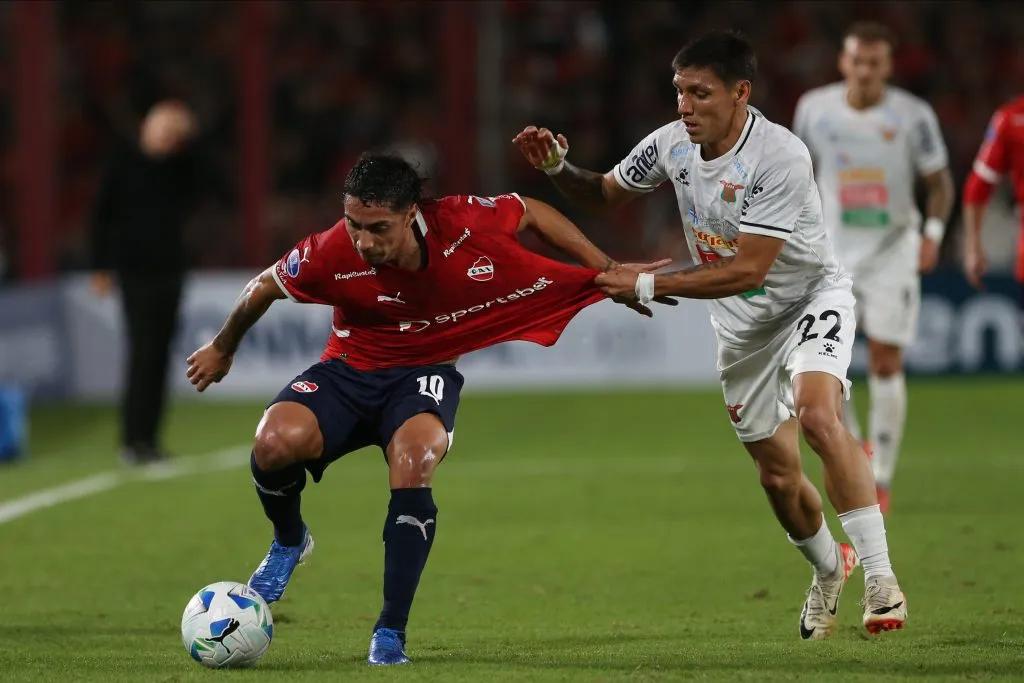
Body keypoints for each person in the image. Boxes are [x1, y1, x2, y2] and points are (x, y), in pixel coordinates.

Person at [185, 153, 670, 665]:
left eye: (379, 228)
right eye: (355, 225)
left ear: (411, 213)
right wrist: (223, 346)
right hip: (350, 369)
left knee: (414, 463)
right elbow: (263, 286)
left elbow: (529, 210)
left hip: (424, 373)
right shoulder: (329, 251)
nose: (365, 241)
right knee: (273, 442)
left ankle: (390, 631)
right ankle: (289, 541)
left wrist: (608, 270)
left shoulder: (460, 222)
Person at [513, 30, 906, 640]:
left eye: (700, 93)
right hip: (740, 327)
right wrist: (557, 167)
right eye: (679, 92)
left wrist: (648, 287)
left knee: (818, 415)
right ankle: (830, 570)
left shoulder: (780, 156)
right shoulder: (672, 146)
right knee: (776, 475)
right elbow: (605, 194)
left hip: (808, 298)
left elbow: (750, 268)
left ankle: (881, 582)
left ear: (741, 93)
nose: (685, 106)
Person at [791, 22, 954, 514]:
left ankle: (880, 473)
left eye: (874, 63)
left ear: (887, 65)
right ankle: (859, 450)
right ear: (844, 63)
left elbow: (940, 183)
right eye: (856, 61)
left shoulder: (912, 115)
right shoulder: (814, 110)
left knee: (885, 358)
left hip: (893, 251)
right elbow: (797, 175)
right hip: (832, 253)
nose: (864, 71)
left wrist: (932, 235)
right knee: (829, 365)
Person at [91, 100, 210, 465]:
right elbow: (101, 215)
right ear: (146, 125)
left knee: (160, 357)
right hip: (135, 273)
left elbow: (204, 184)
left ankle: (150, 439)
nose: (169, 134)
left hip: (170, 271)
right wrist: (100, 266)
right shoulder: (123, 162)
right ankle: (132, 439)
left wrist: (189, 138)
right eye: (165, 126)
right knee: (143, 355)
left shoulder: (179, 166)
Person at [962, 94, 1024, 302]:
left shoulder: (1012, 118)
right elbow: (979, 185)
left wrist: (973, 246)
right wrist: (973, 246)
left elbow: (978, 186)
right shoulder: (1011, 119)